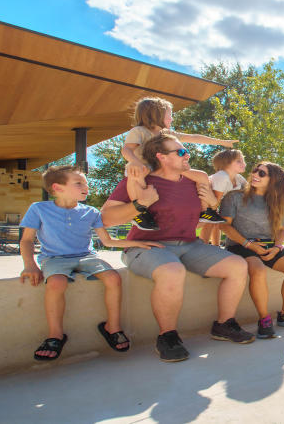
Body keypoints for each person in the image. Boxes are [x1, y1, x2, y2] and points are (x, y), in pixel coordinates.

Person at [101, 133, 254, 362]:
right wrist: (140, 204)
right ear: (161, 157)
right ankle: (168, 336)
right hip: (146, 247)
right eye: (181, 152)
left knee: (237, 265)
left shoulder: (194, 181)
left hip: (190, 245)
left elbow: (208, 212)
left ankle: (224, 324)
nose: (187, 155)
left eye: (186, 150)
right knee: (173, 271)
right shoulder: (139, 180)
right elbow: (106, 219)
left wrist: (212, 202)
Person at [20, 165, 163, 361]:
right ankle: (55, 335)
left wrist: (138, 242)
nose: (86, 187)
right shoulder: (39, 209)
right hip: (54, 258)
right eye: (79, 183)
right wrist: (29, 265)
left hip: (86, 256)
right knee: (56, 283)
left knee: (113, 278)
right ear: (58, 187)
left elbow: (108, 241)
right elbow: (27, 240)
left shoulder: (91, 212)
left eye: (86, 183)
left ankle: (112, 327)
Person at [220, 161, 284, 340]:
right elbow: (224, 226)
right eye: (255, 170)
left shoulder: (279, 201)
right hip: (241, 245)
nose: (255, 174)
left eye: (262, 174)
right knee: (258, 270)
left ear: (274, 181)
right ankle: (264, 319)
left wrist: (277, 247)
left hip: (270, 245)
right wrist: (249, 244)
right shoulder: (234, 197)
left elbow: (281, 229)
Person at [122, 96, 237, 231]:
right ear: (156, 115)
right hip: (144, 167)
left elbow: (193, 137)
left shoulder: (167, 134)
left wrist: (222, 142)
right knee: (136, 173)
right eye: (169, 115)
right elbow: (127, 149)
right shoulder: (139, 131)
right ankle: (140, 213)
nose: (172, 119)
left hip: (166, 167)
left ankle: (204, 211)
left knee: (202, 176)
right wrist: (134, 162)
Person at [199, 149, 247, 246]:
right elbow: (213, 204)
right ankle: (202, 247)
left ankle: (215, 247)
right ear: (226, 164)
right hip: (200, 200)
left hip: (213, 202)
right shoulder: (222, 176)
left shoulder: (239, 178)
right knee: (211, 219)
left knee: (216, 219)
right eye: (239, 161)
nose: (244, 164)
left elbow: (251, 192)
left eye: (243, 160)